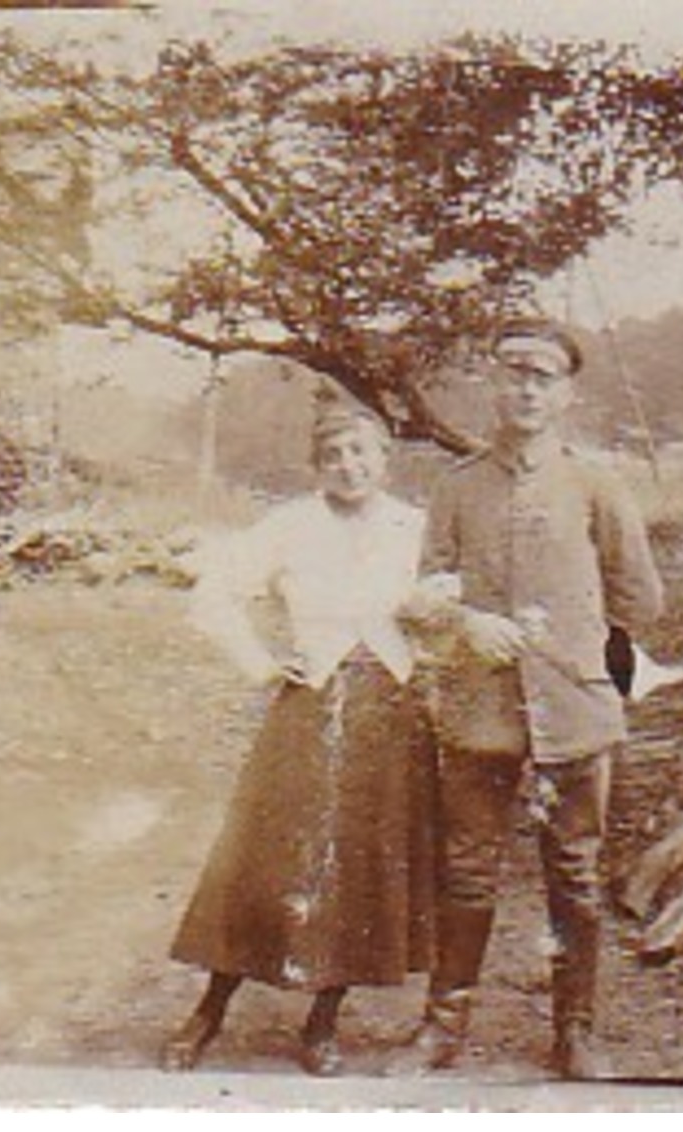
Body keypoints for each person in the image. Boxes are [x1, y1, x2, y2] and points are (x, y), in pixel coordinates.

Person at [399, 319, 663, 1079]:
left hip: (572, 711)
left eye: (541, 378)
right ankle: (441, 1029)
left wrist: (577, 649)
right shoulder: (457, 486)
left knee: (574, 873)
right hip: (479, 710)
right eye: (512, 374)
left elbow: (639, 597)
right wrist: (464, 620)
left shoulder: (594, 483)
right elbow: (426, 592)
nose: (524, 389)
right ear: (493, 385)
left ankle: (574, 1033)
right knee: (467, 870)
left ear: (566, 394)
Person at [161, 395, 436, 1076]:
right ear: (317, 467)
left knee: (360, 868)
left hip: (388, 711)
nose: (348, 466)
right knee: (266, 860)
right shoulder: (290, 525)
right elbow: (213, 594)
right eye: (333, 456)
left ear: (384, 459)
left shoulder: (416, 528)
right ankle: (208, 1011)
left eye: (361, 453)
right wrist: (260, 663)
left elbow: (450, 604)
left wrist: (433, 645)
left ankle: (322, 1021)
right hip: (310, 705)